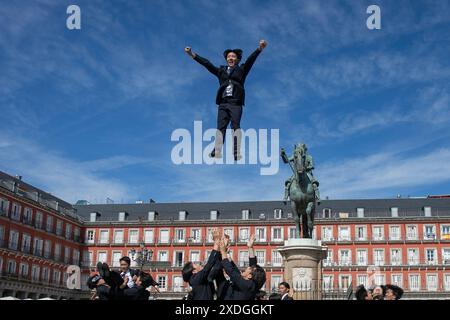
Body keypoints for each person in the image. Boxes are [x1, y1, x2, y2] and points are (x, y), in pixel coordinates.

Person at [185, 40, 267, 161]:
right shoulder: (221, 71)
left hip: (236, 103)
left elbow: (250, 61)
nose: (231, 58)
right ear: (226, 59)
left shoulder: (241, 70)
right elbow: (207, 64)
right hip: (223, 103)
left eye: (233, 56)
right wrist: (193, 55)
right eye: (229, 57)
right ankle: (217, 150)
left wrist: (259, 49)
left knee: (235, 126)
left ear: (237, 59)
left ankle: (236, 152)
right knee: (220, 128)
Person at [218, 234, 266, 300]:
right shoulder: (252, 284)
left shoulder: (246, 285)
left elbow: (230, 271)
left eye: (248, 269)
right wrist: (250, 247)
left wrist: (223, 251)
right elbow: (252, 266)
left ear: (249, 276)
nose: (246, 268)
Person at [182, 228, 221, 300]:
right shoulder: (195, 279)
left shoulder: (202, 278)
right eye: (196, 265)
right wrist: (216, 243)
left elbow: (216, 267)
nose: (199, 264)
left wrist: (221, 250)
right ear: (193, 271)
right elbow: (208, 266)